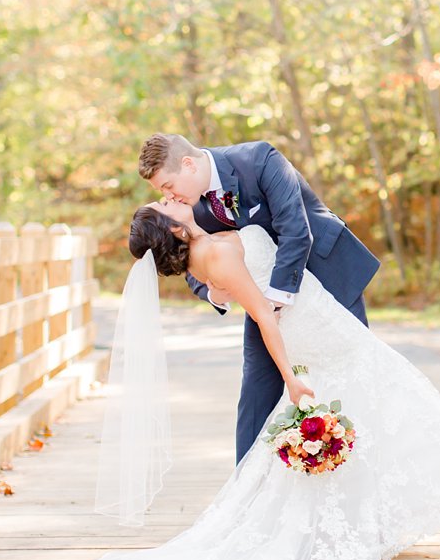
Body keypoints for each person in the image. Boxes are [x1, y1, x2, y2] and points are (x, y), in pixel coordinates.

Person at [0, 201, 440, 560]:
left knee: (389, 395)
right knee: (400, 385)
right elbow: (265, 318)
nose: (177, 204)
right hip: (313, 333)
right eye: (171, 211)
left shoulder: (206, 253)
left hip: (319, 320)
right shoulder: (219, 255)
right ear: (176, 232)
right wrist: (294, 380)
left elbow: (234, 290)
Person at [137, 134, 381, 464]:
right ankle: (245, 489)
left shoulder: (259, 160)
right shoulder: (185, 208)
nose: (168, 195)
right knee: (256, 387)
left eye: (167, 185)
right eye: (161, 193)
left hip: (326, 273)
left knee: (355, 372)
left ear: (188, 164)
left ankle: (364, 467)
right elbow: (184, 256)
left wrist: (275, 305)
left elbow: (296, 230)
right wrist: (213, 290)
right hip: (262, 299)